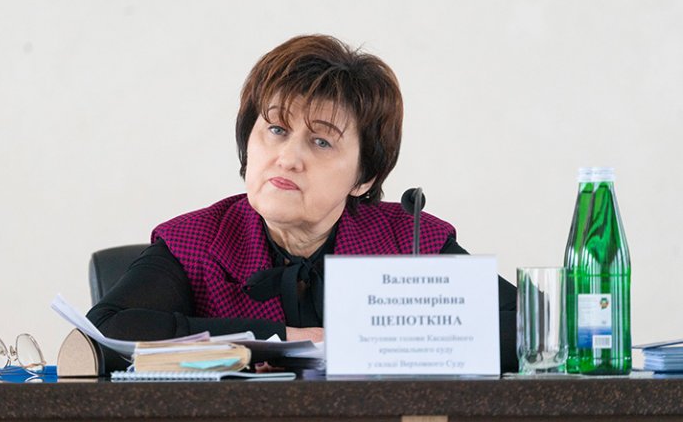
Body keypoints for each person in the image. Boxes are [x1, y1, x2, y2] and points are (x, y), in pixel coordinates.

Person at [87, 34, 517, 371]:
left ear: (364, 177)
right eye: (276, 130)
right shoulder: (198, 241)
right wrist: (289, 340)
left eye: (321, 141)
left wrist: (368, 342)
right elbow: (104, 333)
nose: (288, 158)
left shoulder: (408, 241)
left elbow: (528, 329)